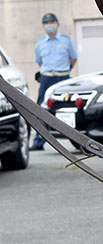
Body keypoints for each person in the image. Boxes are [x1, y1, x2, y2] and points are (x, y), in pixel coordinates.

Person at [32, 12, 77, 150]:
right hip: (46, 78)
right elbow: (39, 62)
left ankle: (76, 140)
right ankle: (38, 142)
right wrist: (48, 73)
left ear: (57, 24)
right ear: (43, 26)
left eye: (51, 23)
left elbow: (73, 59)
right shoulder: (40, 44)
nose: (49, 26)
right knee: (41, 109)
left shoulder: (66, 40)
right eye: (46, 24)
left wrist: (63, 70)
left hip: (63, 77)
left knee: (68, 107)